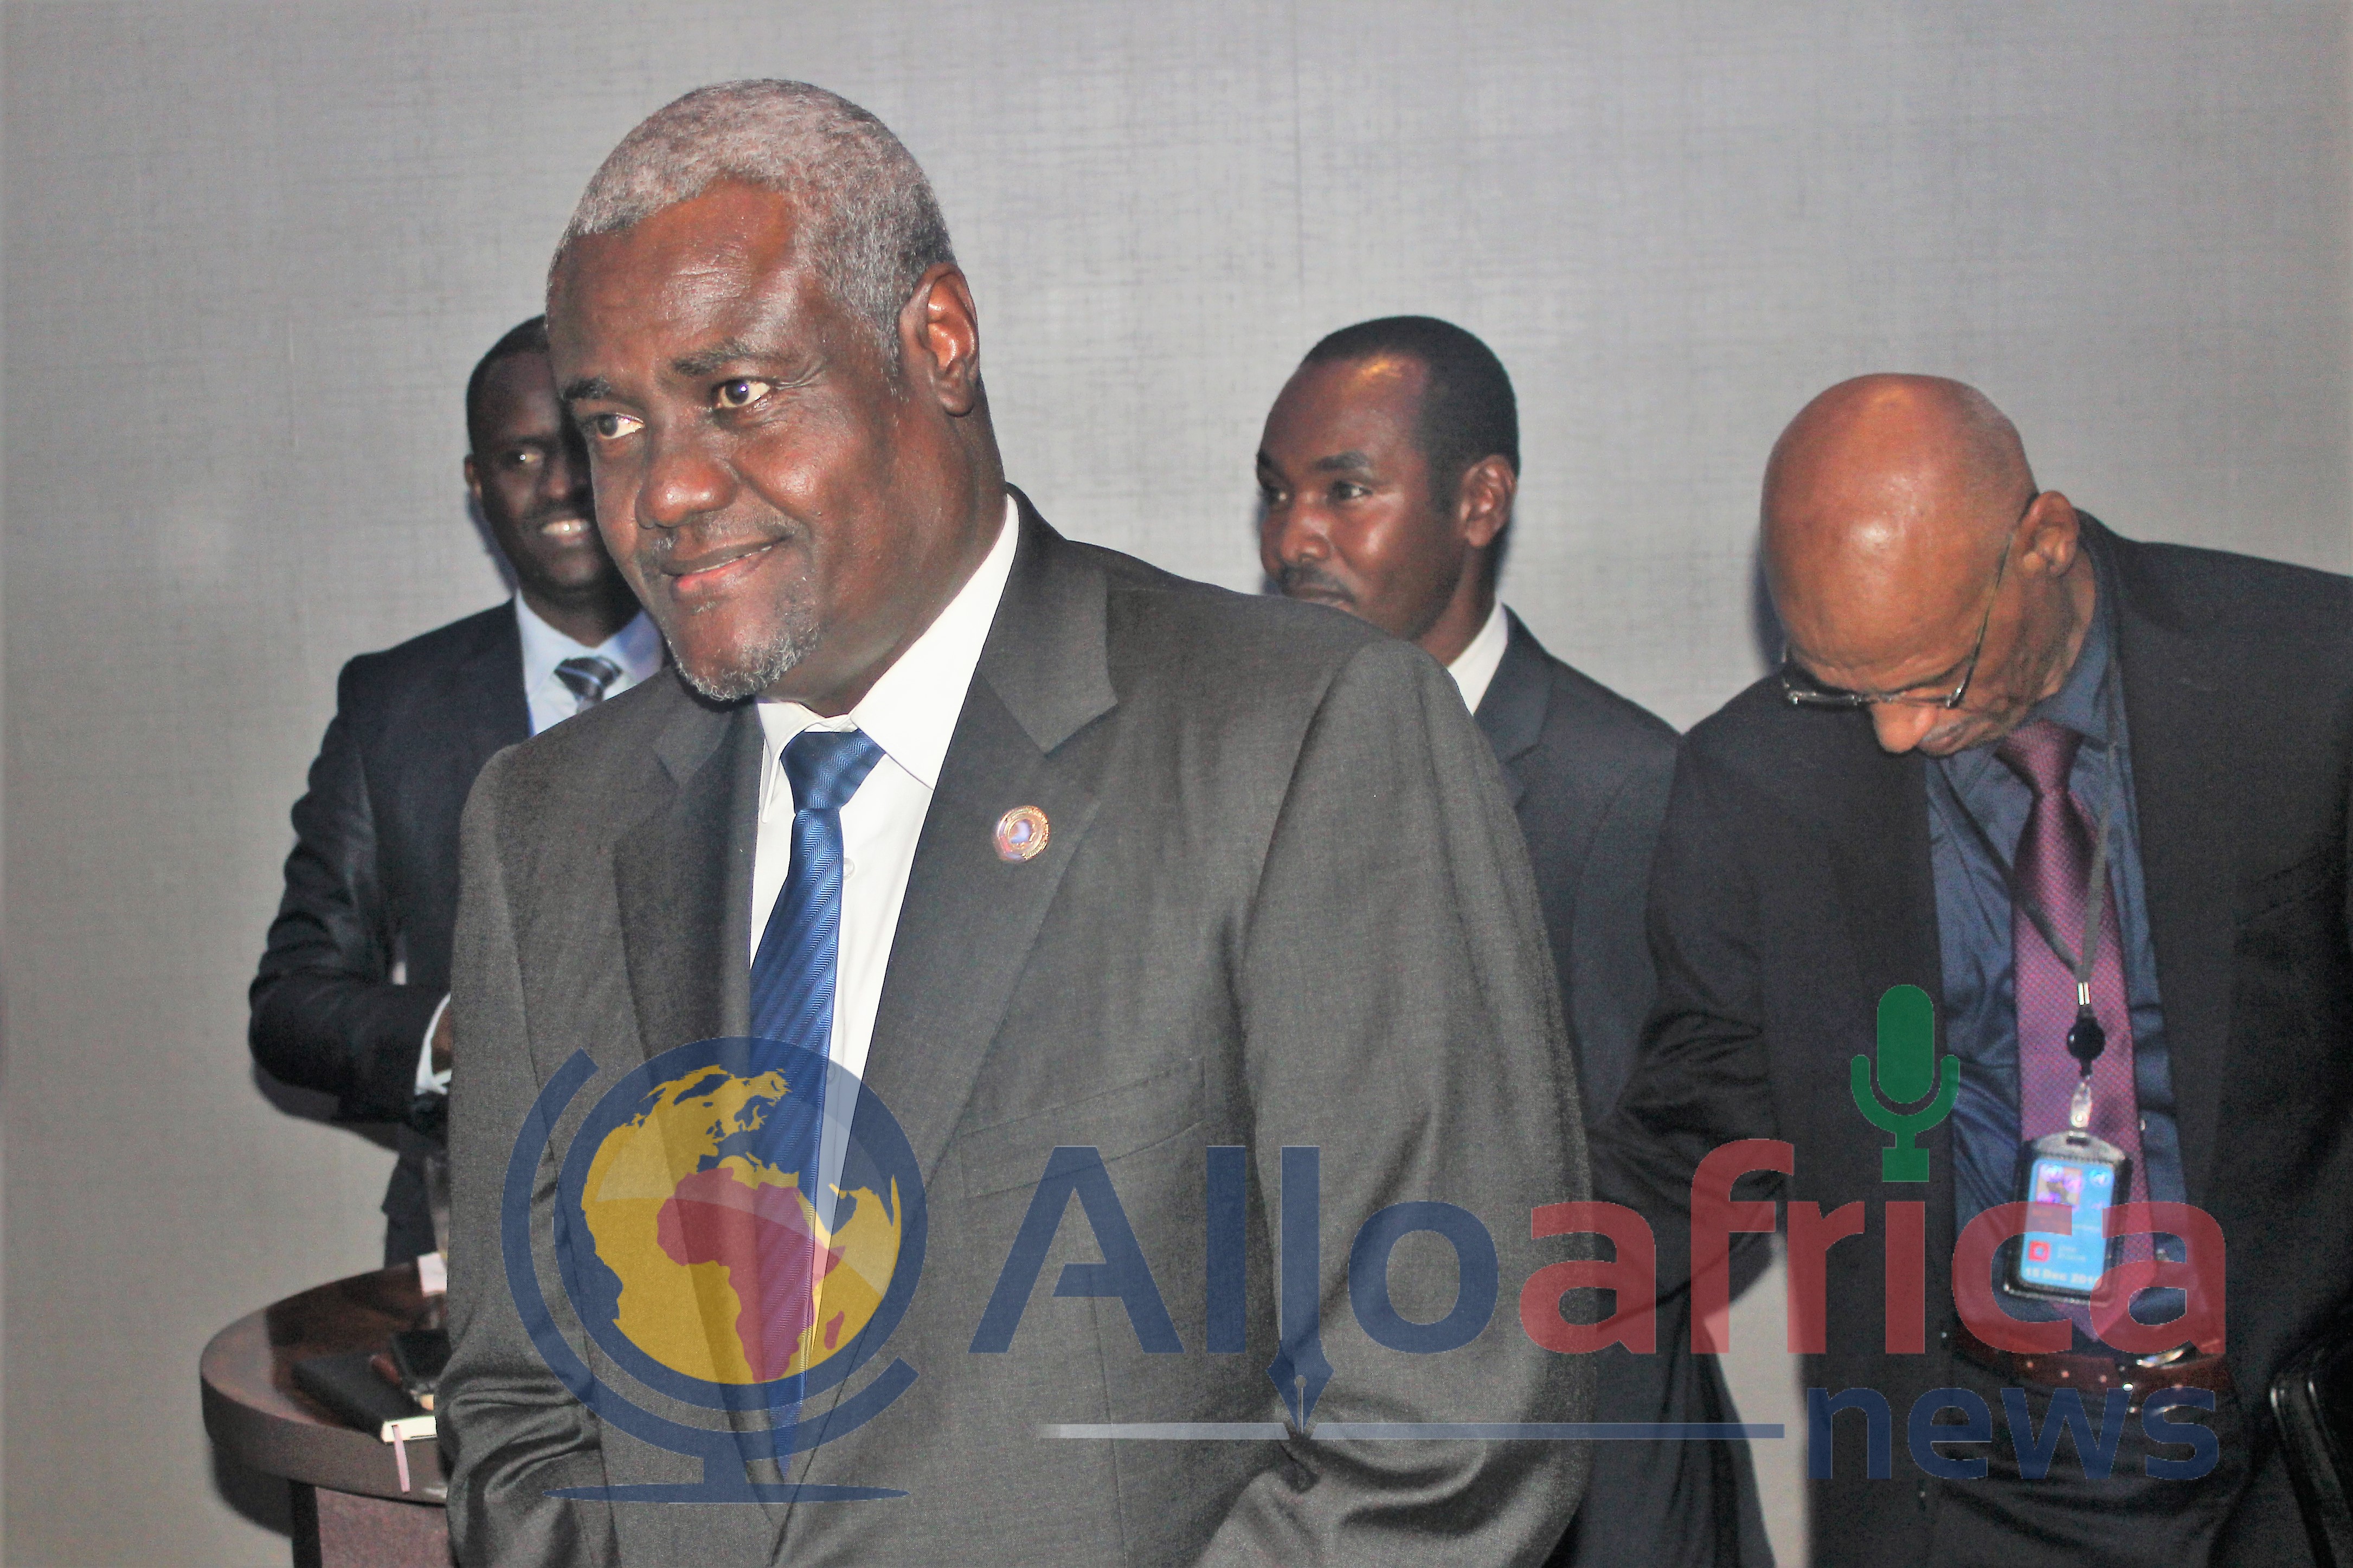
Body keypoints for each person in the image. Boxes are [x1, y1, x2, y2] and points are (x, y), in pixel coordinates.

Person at [441, 81, 1587, 1564]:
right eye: (612, 423)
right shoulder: (544, 826)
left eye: (736, 393)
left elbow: (1442, 1426)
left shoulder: (1299, 741)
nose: (663, 490)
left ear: (936, 341)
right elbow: (517, 1411)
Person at [1595, 373, 2353, 1566]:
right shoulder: (1758, 782)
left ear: (2043, 542)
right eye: (1842, 683)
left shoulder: (2308, 679)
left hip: (2289, 1457)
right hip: (1968, 1479)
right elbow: (1700, 1129)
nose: (1895, 732)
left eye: (1934, 678)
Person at [1258, 316, 1771, 1568]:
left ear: (1479, 501)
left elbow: (1721, 1152)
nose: (1291, 539)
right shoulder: (1243, 770)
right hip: (1316, 1483)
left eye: (1345, 490)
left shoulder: (1629, 786)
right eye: (1275, 493)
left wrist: (1444, 1293)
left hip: (1590, 1485)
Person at [249, 317, 656, 1262]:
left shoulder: (747, 679)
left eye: (586, 443)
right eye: (520, 457)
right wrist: (452, 1034)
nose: (559, 484)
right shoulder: (395, 705)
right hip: (476, 1235)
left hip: (727, 1224)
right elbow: (292, 1004)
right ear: (478, 485)